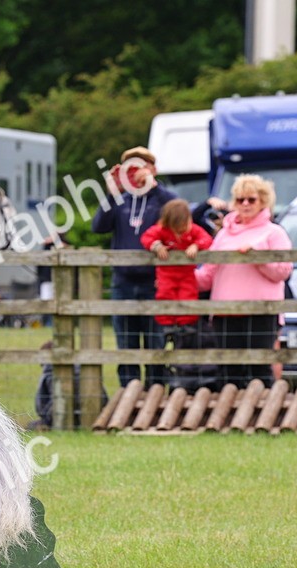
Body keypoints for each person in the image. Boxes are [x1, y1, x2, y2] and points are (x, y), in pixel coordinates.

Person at [91, 146, 179, 388]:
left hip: (154, 282)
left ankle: (156, 392)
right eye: (130, 167)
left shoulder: (162, 199)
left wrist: (154, 187)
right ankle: (128, 392)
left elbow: (181, 213)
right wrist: (111, 194)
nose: (135, 172)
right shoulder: (121, 200)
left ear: (153, 168)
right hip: (123, 283)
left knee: (155, 342)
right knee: (126, 343)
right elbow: (98, 226)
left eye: (141, 165)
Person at [196, 174, 292, 389]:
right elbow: (207, 276)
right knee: (229, 370)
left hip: (261, 312)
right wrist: (180, 275)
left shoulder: (274, 233)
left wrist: (257, 257)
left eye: (251, 199)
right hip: (224, 313)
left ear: (263, 202)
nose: (246, 204)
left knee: (258, 369)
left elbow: (283, 272)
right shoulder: (222, 235)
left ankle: (264, 418)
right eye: (240, 200)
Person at [140, 198, 213, 330]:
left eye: (185, 225)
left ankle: (186, 324)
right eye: (178, 228)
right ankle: (167, 325)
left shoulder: (193, 230)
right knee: (165, 295)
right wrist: (156, 246)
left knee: (189, 295)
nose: (182, 230)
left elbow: (206, 238)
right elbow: (146, 237)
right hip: (166, 274)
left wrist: (196, 245)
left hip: (187, 273)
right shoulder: (161, 230)